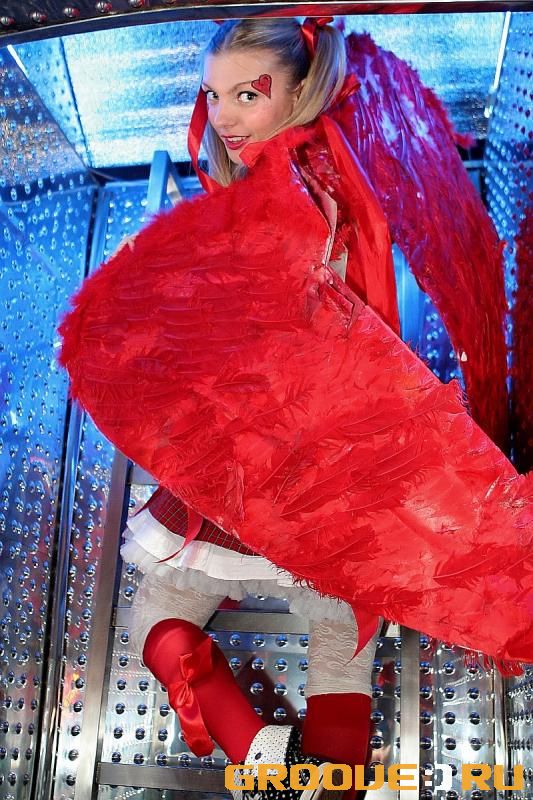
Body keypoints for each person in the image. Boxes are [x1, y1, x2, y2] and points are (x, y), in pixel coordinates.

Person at [58, 14, 532, 800]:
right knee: (338, 649)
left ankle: (260, 759)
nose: (224, 115)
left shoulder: (301, 190)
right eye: (214, 96)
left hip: (272, 467)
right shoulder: (319, 183)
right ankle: (304, 780)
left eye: (247, 94)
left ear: (302, 91)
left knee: (162, 622)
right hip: (329, 479)